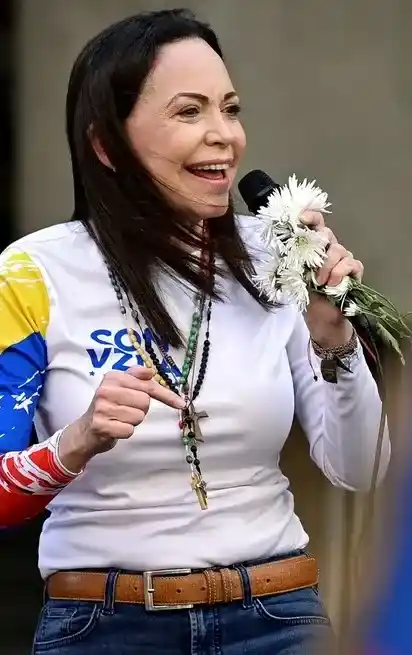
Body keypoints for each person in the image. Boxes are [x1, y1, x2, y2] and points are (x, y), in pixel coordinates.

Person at [0, 8, 389, 654]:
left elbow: (362, 465)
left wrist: (334, 341)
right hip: (105, 626)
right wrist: (78, 439)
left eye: (230, 109)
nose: (224, 136)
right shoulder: (31, 274)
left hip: (276, 618)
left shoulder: (279, 253)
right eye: (189, 113)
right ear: (106, 144)